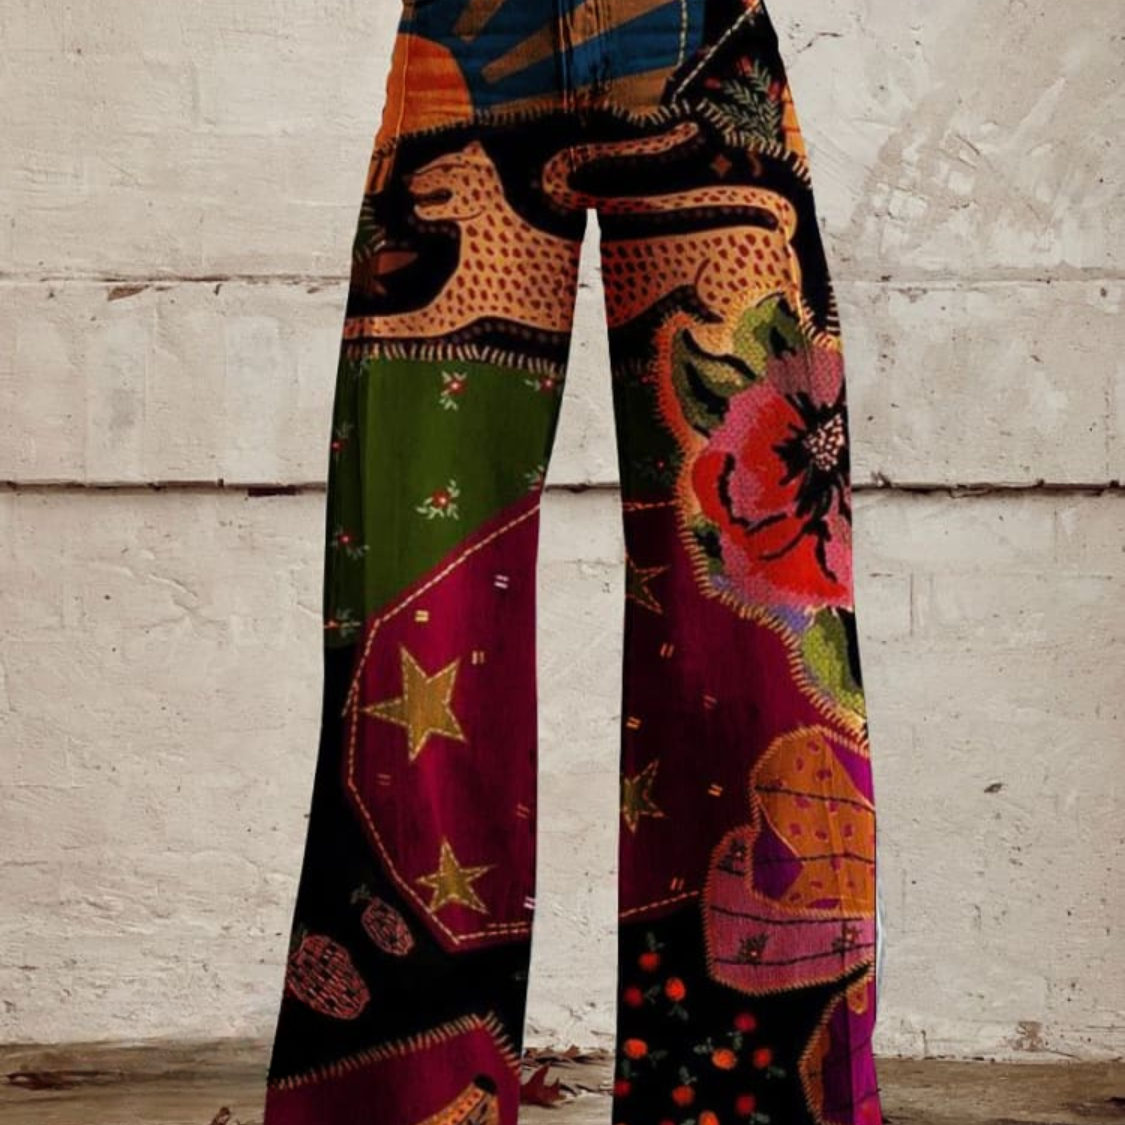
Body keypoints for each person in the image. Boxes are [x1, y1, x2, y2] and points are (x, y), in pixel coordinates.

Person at [262, 1, 884, 1122]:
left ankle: (752, 1097)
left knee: (764, 616)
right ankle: (399, 1098)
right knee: (406, 600)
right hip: (462, 57)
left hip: (701, 54)